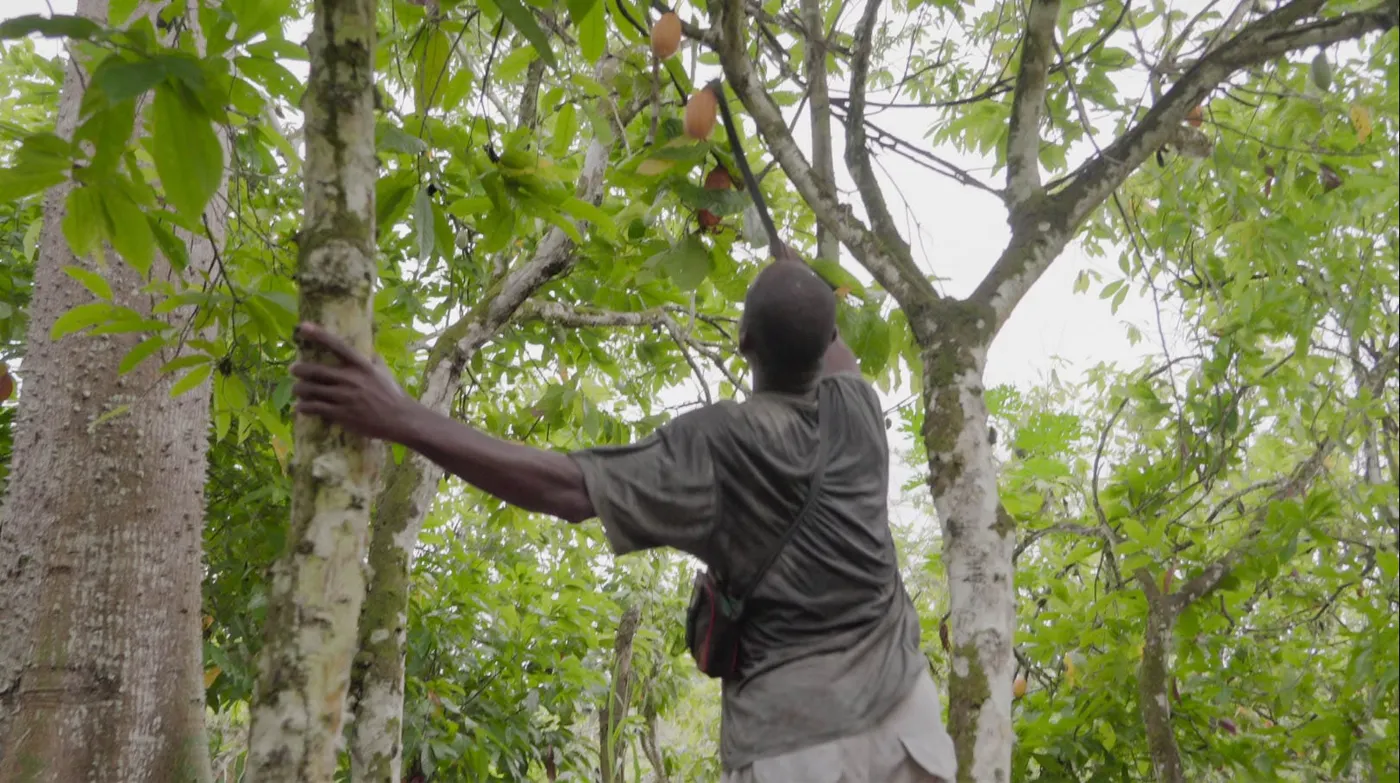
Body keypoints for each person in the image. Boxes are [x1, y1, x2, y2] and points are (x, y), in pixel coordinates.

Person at [289, 248, 957, 782]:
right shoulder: (859, 412)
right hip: (910, 724)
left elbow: (570, 488)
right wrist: (796, 278)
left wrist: (399, 416)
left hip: (800, 748)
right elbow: (833, 348)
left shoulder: (719, 442)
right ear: (828, 339)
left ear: (743, 339)